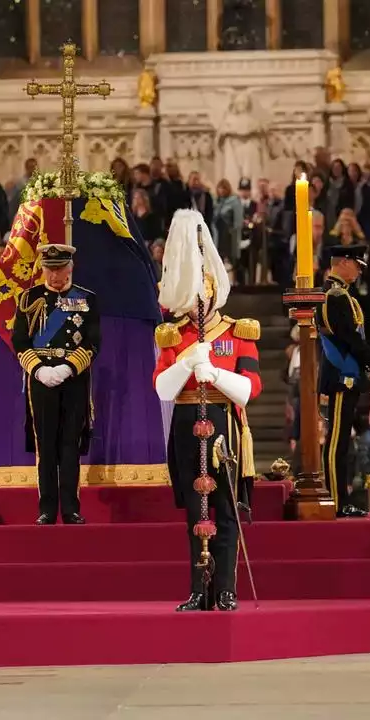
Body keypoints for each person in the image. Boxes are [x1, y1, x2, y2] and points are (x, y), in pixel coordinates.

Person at [153, 210, 262, 612]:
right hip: (184, 423)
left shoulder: (238, 331)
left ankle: (226, 587)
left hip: (223, 426)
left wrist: (211, 371)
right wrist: (184, 363)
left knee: (226, 511)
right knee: (193, 514)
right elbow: (163, 389)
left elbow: (248, 390)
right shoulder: (173, 336)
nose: (197, 305)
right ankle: (200, 589)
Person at [11, 243, 101, 526]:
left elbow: (93, 342)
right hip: (40, 379)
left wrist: (67, 367)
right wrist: (38, 370)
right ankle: (47, 509)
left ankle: (71, 509)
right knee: (45, 445)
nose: (54, 276)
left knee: (69, 444)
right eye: (49, 269)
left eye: (60, 269)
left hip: (73, 378)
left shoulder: (87, 300)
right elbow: (20, 341)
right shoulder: (29, 298)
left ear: (70, 268)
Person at [319, 245, 370, 517]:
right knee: (337, 442)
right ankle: (335, 500)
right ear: (343, 262)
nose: (358, 270)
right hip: (341, 375)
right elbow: (349, 336)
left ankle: (339, 499)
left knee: (342, 441)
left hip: (345, 375)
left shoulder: (341, 294)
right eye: (356, 264)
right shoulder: (334, 296)